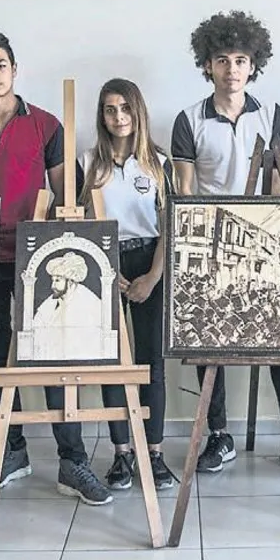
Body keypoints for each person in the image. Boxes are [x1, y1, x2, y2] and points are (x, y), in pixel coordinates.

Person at [0, 32, 111, 506]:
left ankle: (72, 460)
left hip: (40, 258)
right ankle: (12, 452)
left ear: (14, 69)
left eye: (0, 65)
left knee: (55, 356)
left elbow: (65, 197)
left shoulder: (47, 125)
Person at [171, 10, 280, 476]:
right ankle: (218, 436)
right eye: (222, 60)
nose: (232, 69)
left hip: (265, 242)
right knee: (209, 342)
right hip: (212, 244)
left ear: (253, 64)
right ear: (208, 65)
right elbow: (185, 193)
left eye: (241, 60)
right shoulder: (188, 119)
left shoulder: (271, 114)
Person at [80, 77, 177, 491]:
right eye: (110, 109)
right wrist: (105, 268)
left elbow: (169, 225)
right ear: (101, 116)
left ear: (138, 112)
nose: (118, 117)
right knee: (113, 361)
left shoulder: (158, 163)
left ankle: (153, 452)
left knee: (151, 361)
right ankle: (122, 453)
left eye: (125, 108)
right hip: (107, 262)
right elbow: (82, 222)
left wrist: (152, 277)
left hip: (150, 261)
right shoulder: (89, 163)